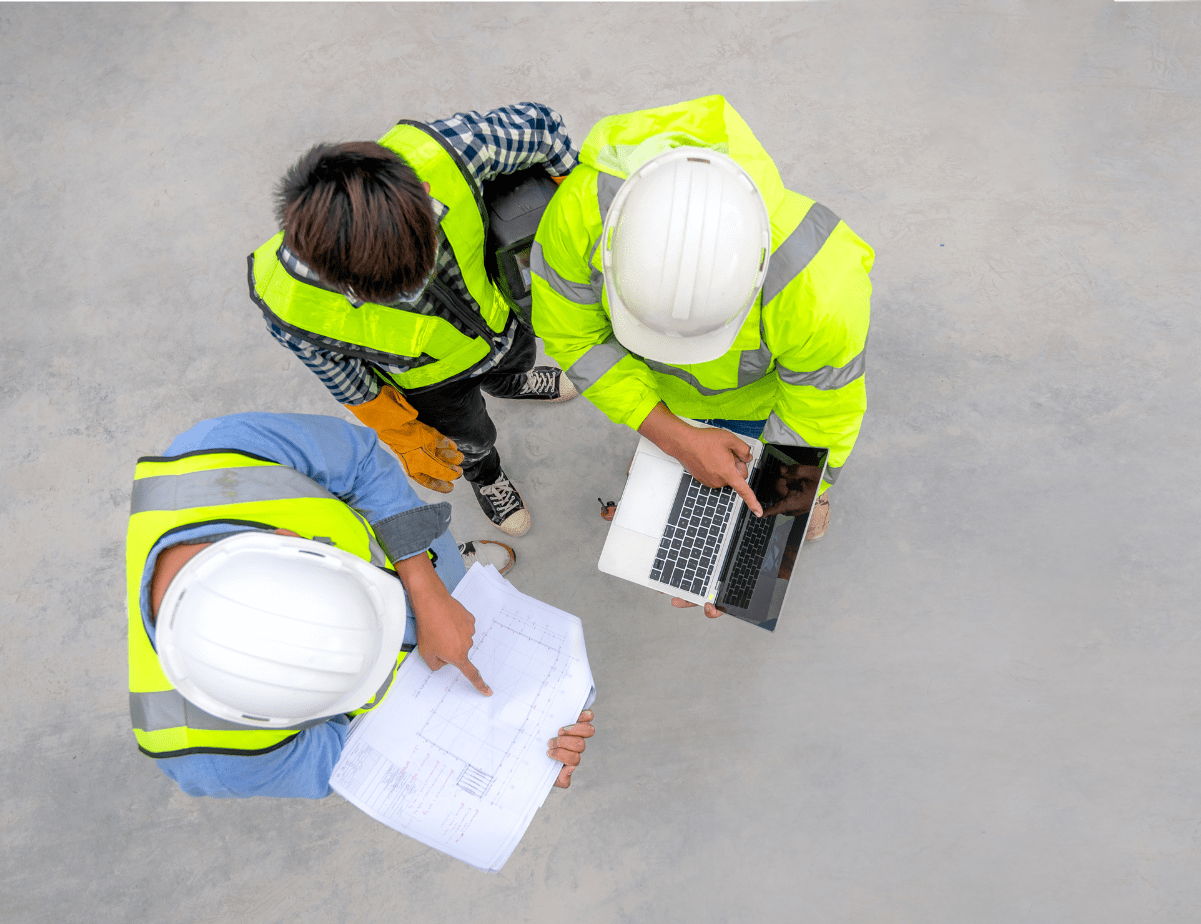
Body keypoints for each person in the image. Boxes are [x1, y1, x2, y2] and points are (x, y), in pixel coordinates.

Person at [125, 412, 594, 798]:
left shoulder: (222, 454)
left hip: (418, 569)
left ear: (284, 538)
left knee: (435, 555)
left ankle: (455, 568)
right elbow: (361, 762)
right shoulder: (212, 761)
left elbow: (361, 464)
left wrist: (425, 582)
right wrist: (516, 758)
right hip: (418, 658)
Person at [528, 95, 874, 614]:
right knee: (693, 469)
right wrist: (673, 435)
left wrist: (759, 546)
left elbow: (817, 418)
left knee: (786, 479)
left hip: (764, 408)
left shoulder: (818, 286)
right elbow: (575, 340)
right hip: (664, 402)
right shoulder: (581, 215)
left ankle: (808, 499)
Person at [248, 103, 582, 538]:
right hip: (434, 384)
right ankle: (486, 476)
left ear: (423, 192)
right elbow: (349, 381)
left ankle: (512, 383)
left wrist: (579, 215)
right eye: (392, 293)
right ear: (329, 273)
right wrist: (403, 431)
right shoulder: (290, 305)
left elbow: (542, 129)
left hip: (503, 321)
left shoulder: (450, 153)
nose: (416, 291)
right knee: (471, 439)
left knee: (517, 360)